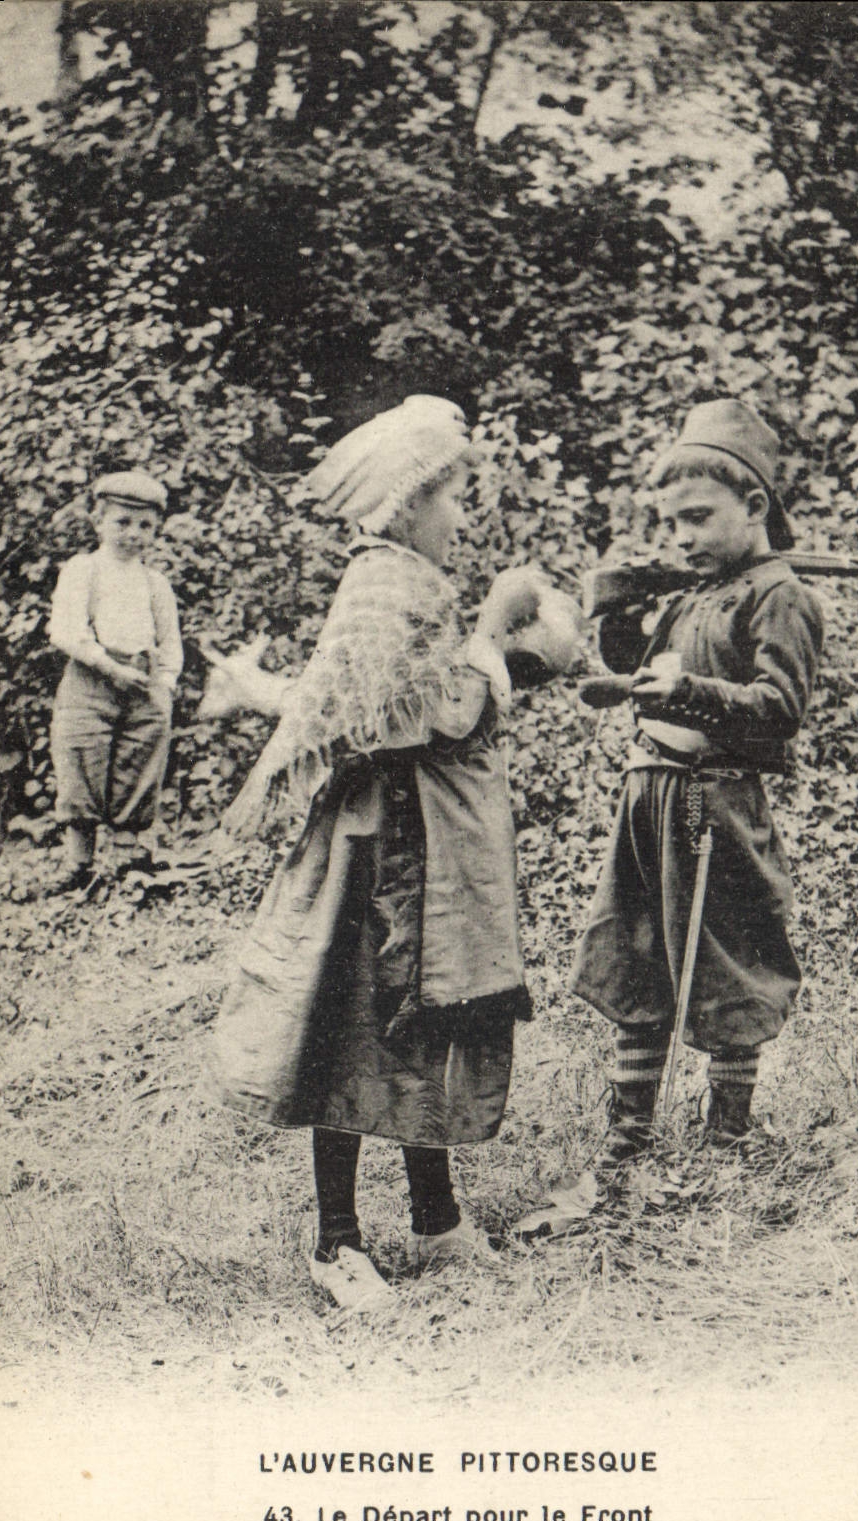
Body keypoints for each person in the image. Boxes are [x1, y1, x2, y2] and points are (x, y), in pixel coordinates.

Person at [208, 396, 579, 1310]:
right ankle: (337, 1241)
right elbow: (411, 714)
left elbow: (416, 704)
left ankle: (436, 1214)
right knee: (351, 1028)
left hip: (420, 850)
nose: (463, 516)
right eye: (454, 496)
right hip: (372, 853)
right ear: (412, 502)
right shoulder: (386, 584)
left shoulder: (407, 582)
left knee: (426, 1019)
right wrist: (493, 635)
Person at [515, 399, 824, 1236]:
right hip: (647, 793)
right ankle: (629, 1137)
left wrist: (689, 691)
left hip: (717, 798)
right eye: (670, 521)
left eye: (699, 517)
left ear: (755, 506)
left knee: (731, 958)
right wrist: (616, 604)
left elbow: (779, 707)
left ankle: (727, 1141)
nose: (682, 535)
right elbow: (631, 667)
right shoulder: (690, 593)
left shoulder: (779, 594)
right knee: (636, 951)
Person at [48, 470, 182, 893]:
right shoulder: (84, 569)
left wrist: (166, 681)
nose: (133, 534)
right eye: (122, 522)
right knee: (81, 756)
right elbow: (66, 629)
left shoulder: (154, 582)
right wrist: (108, 667)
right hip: (92, 677)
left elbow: (170, 638)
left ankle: (128, 859)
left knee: (139, 760)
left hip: (143, 683)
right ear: (98, 520)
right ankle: (79, 865)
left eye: (145, 526)